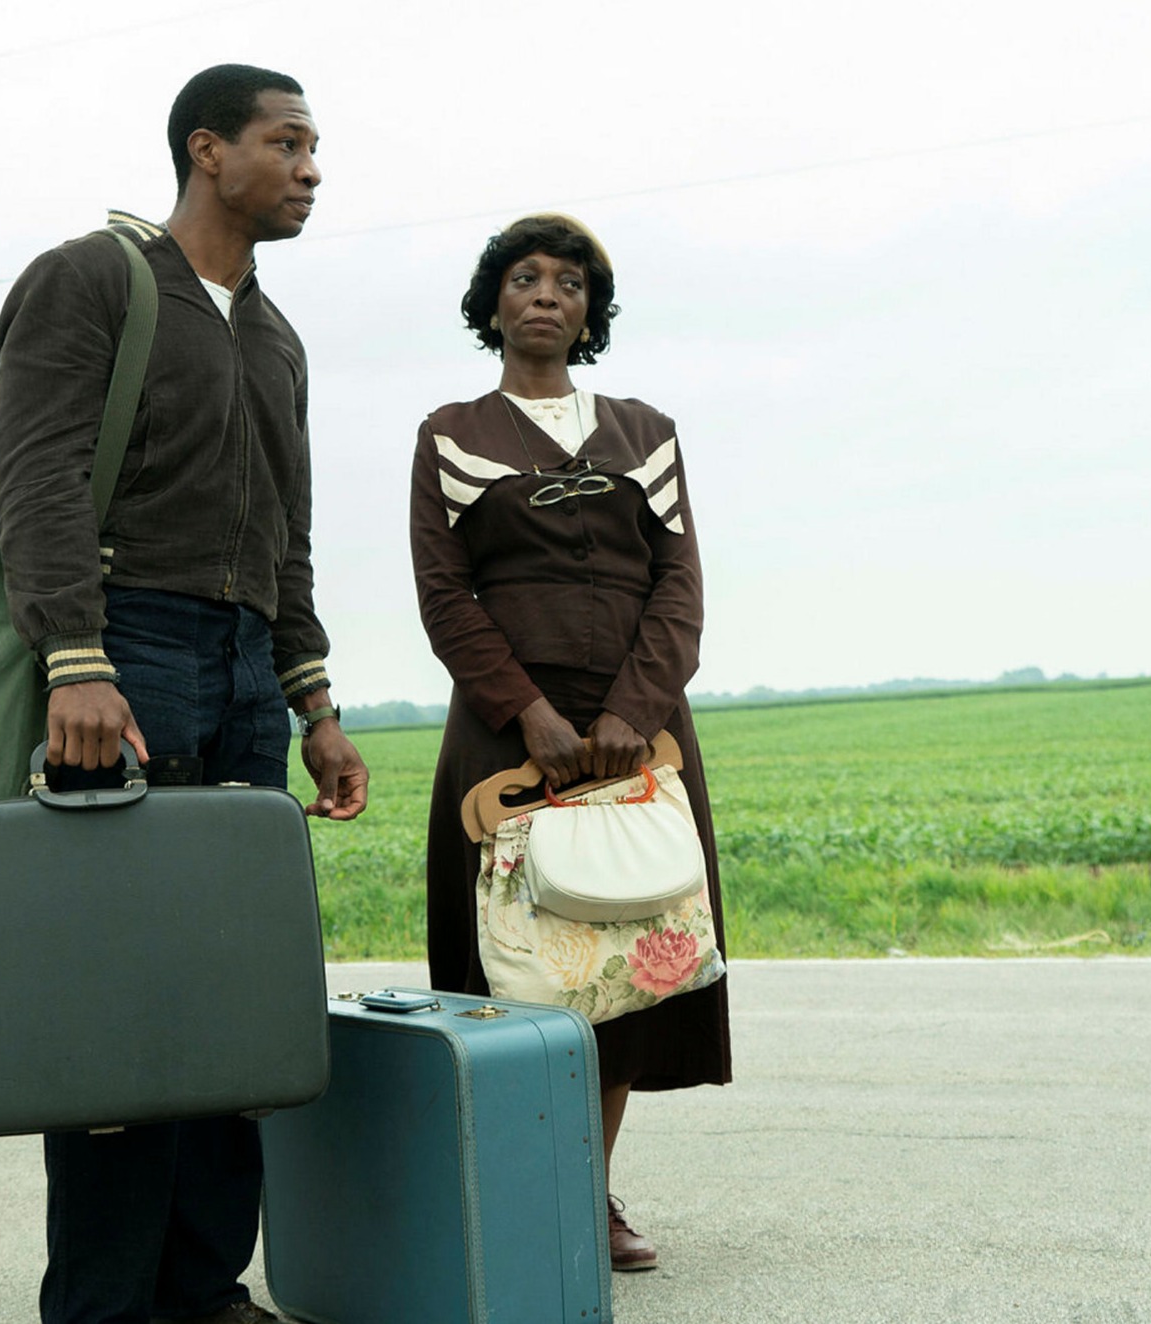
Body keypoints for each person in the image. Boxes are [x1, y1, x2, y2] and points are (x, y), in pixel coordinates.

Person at [0, 63, 370, 1324]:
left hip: (248, 665)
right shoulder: (94, 277)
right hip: (122, 647)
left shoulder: (276, 335)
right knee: (119, 996)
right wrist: (74, 657)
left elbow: (288, 533)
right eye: (288, 142)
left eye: (315, 148)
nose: (312, 168)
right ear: (208, 149)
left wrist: (312, 703)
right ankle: (98, 1307)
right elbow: (29, 473)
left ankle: (205, 1290)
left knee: (233, 992)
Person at [409, 213, 732, 1273]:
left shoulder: (648, 429)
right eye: (524, 277)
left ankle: (586, 1199)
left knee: (620, 965)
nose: (547, 293)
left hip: (638, 737)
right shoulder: (450, 431)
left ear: (591, 312)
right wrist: (527, 712)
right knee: (516, 969)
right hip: (504, 744)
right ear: (491, 302)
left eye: (571, 282)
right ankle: (512, 1197)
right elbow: (445, 595)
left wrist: (633, 710)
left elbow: (679, 589)